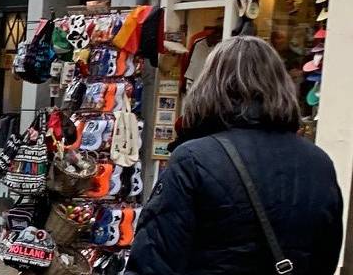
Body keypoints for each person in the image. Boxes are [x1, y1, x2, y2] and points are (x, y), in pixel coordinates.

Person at [127, 36, 342, 275]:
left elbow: (153, 260)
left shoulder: (194, 158)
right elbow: (326, 257)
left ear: (210, 86)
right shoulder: (319, 163)